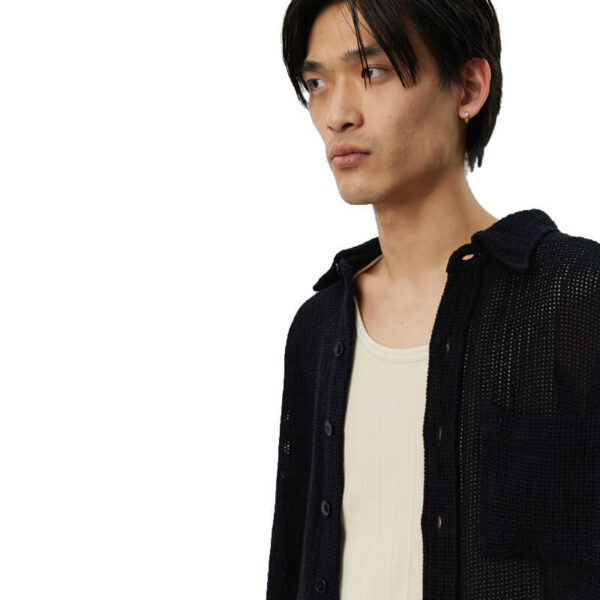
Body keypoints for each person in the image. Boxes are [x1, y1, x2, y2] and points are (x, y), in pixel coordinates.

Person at [266, 1, 600, 599]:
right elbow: (292, 557)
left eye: (372, 72)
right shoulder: (318, 328)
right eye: (316, 83)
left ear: (468, 87)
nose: (337, 115)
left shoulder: (574, 296)